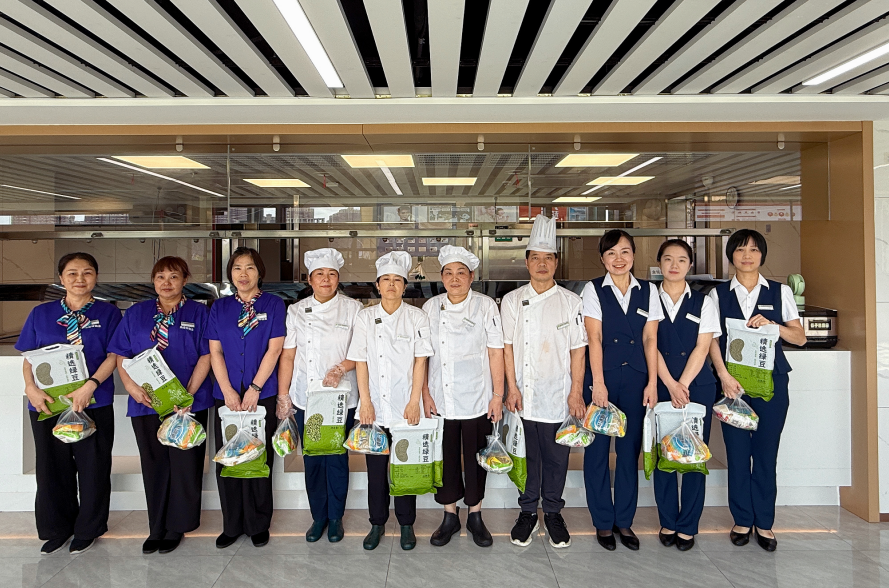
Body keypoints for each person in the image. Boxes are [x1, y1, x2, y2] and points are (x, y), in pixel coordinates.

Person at [708, 229, 806, 552]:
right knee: (737, 455)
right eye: (740, 249)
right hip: (732, 386)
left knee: (765, 454)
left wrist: (774, 326)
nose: (747, 255)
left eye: (753, 249)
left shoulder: (779, 292)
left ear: (762, 255)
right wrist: (722, 375)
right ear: (731, 256)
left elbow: (800, 337)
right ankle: (741, 519)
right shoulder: (717, 295)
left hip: (772, 385)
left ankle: (764, 522)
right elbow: (711, 339)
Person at [17, 252, 121, 555]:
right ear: (61, 278)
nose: (80, 279)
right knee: (52, 468)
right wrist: (30, 388)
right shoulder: (41, 313)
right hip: (47, 403)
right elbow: (29, 357)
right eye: (72, 273)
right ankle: (56, 528)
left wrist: (91, 385)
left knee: (93, 468)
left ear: (96, 277)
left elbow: (114, 355)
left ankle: (88, 529)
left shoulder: (109, 313)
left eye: (87, 272)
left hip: (93, 401)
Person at [109, 256, 212, 555]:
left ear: (185, 280)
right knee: (153, 465)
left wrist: (188, 394)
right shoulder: (136, 313)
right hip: (146, 403)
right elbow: (121, 353)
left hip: (189, 403)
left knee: (185, 465)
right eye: (160, 277)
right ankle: (157, 526)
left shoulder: (199, 312)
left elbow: (207, 354)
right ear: (153, 281)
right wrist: (131, 387)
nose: (167, 283)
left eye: (174, 276)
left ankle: (178, 526)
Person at [502, 215, 587, 549]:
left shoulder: (571, 302)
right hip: (522, 393)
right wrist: (511, 388)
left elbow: (578, 350)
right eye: (535, 258)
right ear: (526, 263)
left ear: (556, 262)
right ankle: (527, 512)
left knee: (556, 458)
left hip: (557, 394)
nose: (541, 264)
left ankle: (552, 512)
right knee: (527, 456)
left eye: (547, 258)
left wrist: (576, 392)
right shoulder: (512, 301)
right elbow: (506, 347)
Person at [346, 251, 433, 551]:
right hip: (375, 408)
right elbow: (360, 362)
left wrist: (414, 402)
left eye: (397, 280)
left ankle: (406, 524)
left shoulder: (417, 317)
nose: (392, 285)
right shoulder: (365, 317)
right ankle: (377, 523)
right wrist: (366, 402)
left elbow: (420, 361)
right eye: (386, 279)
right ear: (378, 285)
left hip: (406, 406)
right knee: (376, 472)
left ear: (405, 285)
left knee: (405, 466)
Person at [582, 229, 663, 551]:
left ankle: (624, 521)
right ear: (603, 259)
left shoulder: (648, 291)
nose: (619, 259)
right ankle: (603, 521)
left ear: (634, 256)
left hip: (636, 379)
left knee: (629, 452)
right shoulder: (593, 289)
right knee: (597, 452)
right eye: (611, 253)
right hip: (602, 378)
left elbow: (650, 339)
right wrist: (598, 383)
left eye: (625, 252)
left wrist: (653, 382)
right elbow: (594, 337)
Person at [421, 245, 505, 547]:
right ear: (442, 277)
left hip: (477, 397)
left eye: (461, 273)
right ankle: (449, 515)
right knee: (445, 458)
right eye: (448, 273)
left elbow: (496, 351)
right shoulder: (431, 307)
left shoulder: (485, 306)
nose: (454, 279)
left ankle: (475, 515)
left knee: (476, 458)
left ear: (471, 276)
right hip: (440, 398)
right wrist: (425, 393)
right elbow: (422, 355)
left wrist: (497, 395)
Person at [277, 248, 362, 543]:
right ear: (310, 279)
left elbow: (361, 353)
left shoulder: (353, 309)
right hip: (307, 396)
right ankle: (318, 517)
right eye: (320, 274)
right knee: (313, 458)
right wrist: (283, 396)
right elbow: (288, 356)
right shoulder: (296, 311)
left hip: (340, 397)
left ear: (338, 278)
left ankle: (336, 518)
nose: (326, 279)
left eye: (332, 274)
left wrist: (340, 369)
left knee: (337, 457)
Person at [206, 247, 285, 549]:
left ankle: (258, 523)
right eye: (237, 268)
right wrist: (227, 390)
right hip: (226, 396)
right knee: (229, 457)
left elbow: (275, 349)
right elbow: (215, 351)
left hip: (261, 394)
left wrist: (254, 388)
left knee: (259, 457)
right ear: (230, 273)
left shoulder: (274, 304)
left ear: (259, 272)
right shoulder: (220, 307)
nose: (243, 274)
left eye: (250, 267)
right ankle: (232, 524)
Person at [652, 240, 720, 551]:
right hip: (661, 384)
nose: (674, 265)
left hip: (697, 387)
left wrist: (682, 384)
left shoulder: (704, 302)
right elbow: (650, 343)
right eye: (668, 259)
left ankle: (688, 525)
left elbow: (703, 347)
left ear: (690, 265)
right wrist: (670, 383)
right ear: (659, 264)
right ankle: (667, 520)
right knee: (663, 453)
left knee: (694, 455)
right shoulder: (649, 297)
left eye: (681, 260)